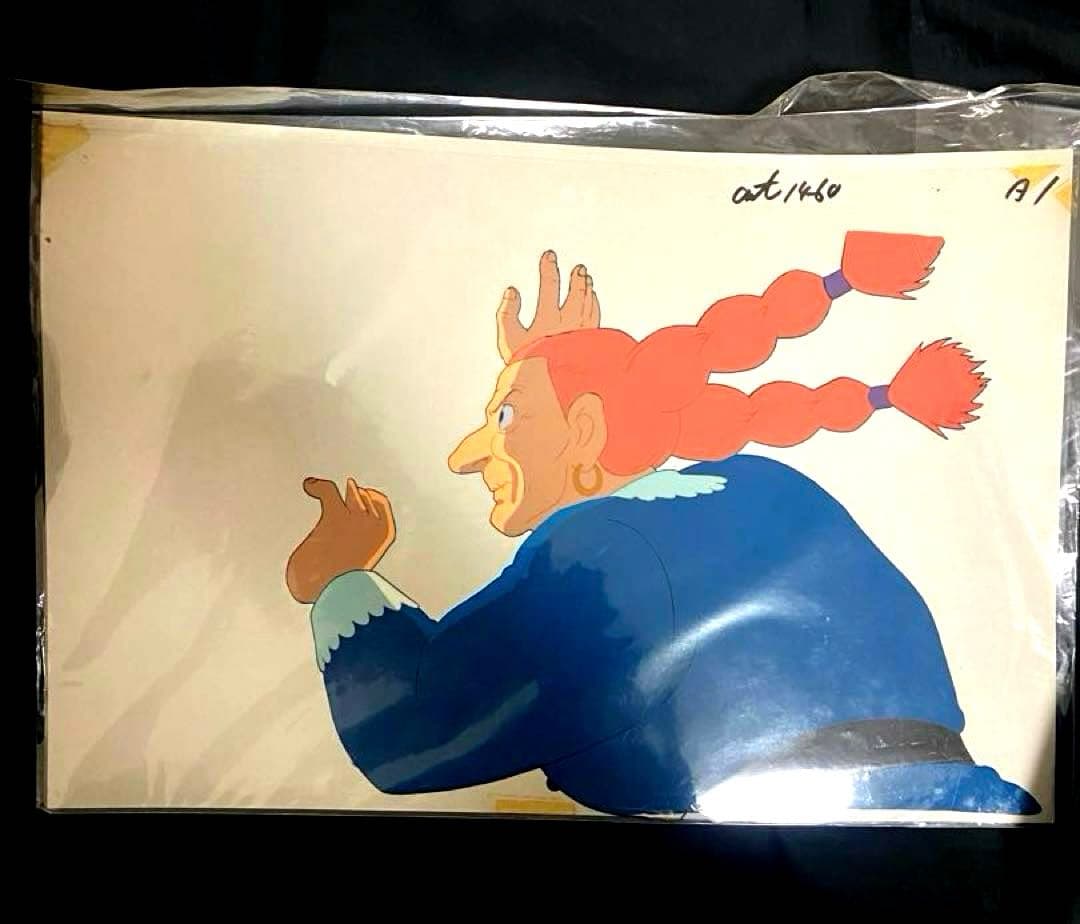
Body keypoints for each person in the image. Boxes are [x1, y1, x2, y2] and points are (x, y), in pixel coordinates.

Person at [285, 231, 1039, 818]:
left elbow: (415, 731)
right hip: (968, 824)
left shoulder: (597, 549)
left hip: (845, 865)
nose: (466, 455)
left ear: (586, 431)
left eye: (506, 419)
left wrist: (339, 580)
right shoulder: (763, 485)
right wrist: (570, 375)